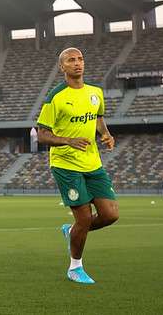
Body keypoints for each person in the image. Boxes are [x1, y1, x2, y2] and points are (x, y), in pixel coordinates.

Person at [37, 47, 118, 285]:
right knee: (83, 219)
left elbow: (98, 118)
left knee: (110, 214)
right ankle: (75, 267)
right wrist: (68, 140)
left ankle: (70, 231)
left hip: (93, 163)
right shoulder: (55, 97)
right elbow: (41, 135)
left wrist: (106, 135)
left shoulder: (95, 92)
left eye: (80, 59)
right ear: (62, 67)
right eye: (71, 60)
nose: (77, 63)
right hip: (66, 165)